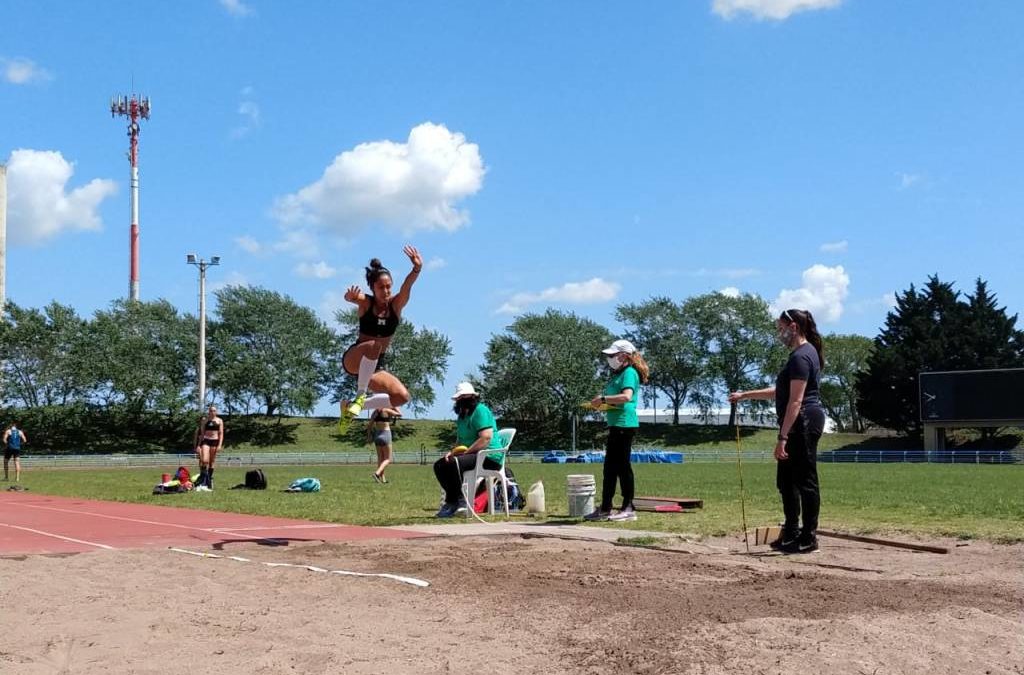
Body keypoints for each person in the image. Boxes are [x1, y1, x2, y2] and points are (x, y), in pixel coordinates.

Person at [728, 308, 826, 554]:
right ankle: (791, 532)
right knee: (786, 481)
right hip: (795, 422)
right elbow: (780, 391)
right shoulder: (799, 356)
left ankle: (808, 536)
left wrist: (783, 437)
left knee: (805, 480)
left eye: (781, 328)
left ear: (794, 327)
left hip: (803, 422)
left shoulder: (802, 356)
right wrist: (745, 395)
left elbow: (795, 400)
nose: (779, 333)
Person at [338, 245, 423, 429]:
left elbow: (407, 286)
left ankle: (352, 406)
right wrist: (349, 297)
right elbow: (353, 297)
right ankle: (361, 393)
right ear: (372, 288)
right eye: (381, 287)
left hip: (376, 366)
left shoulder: (396, 305)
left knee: (401, 397)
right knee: (374, 345)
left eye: (388, 286)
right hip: (355, 358)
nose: (386, 291)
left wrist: (416, 269)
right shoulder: (366, 303)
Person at [584, 339, 650, 522]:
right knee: (610, 468)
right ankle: (606, 507)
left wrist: (603, 399)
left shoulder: (629, 373)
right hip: (616, 424)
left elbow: (627, 397)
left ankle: (628, 507)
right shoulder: (617, 374)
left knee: (622, 467)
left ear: (624, 356)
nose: (609, 358)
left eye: (612, 355)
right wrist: (603, 403)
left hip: (625, 425)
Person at [432, 382, 505, 518]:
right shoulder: (462, 416)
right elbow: (460, 441)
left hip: (489, 456)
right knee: (440, 465)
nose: (459, 401)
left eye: (462, 398)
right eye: (458, 399)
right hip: (472, 455)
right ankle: (452, 501)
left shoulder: (481, 411)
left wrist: (465, 453)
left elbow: (486, 438)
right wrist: (452, 452)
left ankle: (461, 502)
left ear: (471, 397)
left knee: (455, 463)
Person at [193, 405, 225, 491]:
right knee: (204, 460)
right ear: (208, 412)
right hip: (206, 441)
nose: (212, 412)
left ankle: (208, 480)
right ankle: (202, 479)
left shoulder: (219, 421)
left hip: (215, 441)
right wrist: (198, 445)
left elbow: (221, 434)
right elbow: (202, 434)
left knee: (211, 462)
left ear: (216, 412)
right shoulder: (205, 420)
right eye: (210, 410)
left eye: (214, 410)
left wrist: (219, 445)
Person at [368, 405, 402, 483]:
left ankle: (382, 479)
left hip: (377, 436)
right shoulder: (386, 410)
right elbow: (399, 414)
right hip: (386, 434)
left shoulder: (375, 412)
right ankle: (377, 474)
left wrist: (369, 436)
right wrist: (395, 407)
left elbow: (369, 425)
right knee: (388, 459)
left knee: (380, 458)